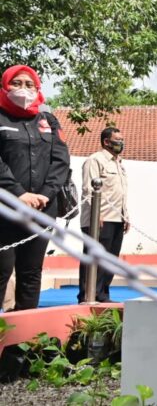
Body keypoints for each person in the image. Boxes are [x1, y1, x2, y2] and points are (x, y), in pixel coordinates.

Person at [0, 65, 70, 310]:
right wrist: (20, 193)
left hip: (42, 209)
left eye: (29, 84)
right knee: (2, 270)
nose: (23, 89)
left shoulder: (47, 119)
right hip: (5, 209)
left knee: (31, 273)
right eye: (16, 83)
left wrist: (44, 195)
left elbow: (61, 160)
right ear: (5, 86)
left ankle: (23, 334)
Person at [77, 127, 129, 303]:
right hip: (99, 219)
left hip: (116, 218)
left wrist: (125, 215)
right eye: (118, 139)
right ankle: (87, 295)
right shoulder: (95, 160)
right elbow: (88, 189)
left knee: (110, 260)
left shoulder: (118, 163)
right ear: (106, 141)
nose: (121, 143)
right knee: (95, 259)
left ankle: (102, 295)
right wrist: (96, 213)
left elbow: (121, 192)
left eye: (122, 139)